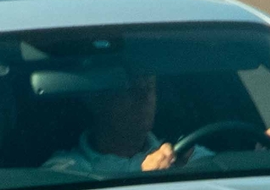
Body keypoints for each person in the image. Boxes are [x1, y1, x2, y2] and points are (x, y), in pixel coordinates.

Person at [42, 73, 179, 177]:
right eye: (130, 89)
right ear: (97, 101)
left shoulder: (184, 157)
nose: (144, 97)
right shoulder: (65, 172)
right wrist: (145, 178)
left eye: (149, 88)